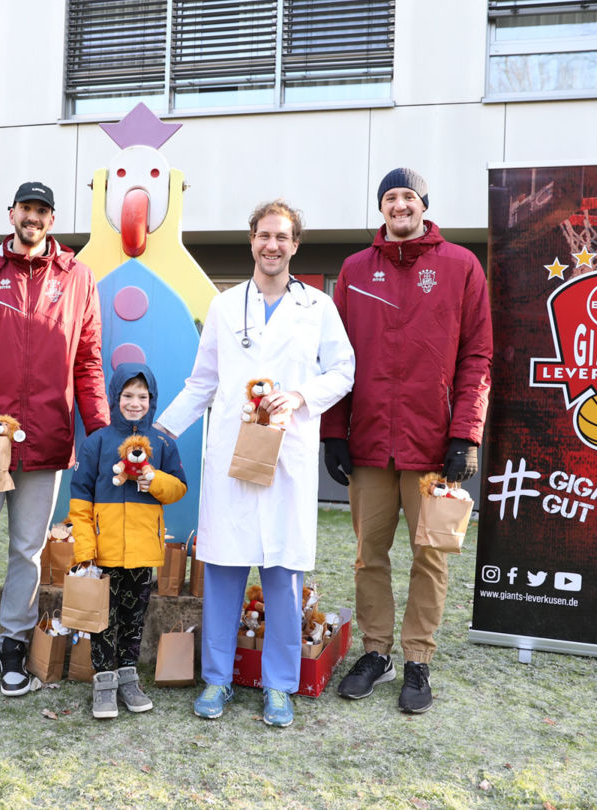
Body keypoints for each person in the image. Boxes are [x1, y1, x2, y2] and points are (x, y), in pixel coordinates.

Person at [155, 200, 354, 728]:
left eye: (282, 237)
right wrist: (162, 430)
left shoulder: (318, 307)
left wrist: (300, 396)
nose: (272, 245)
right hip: (232, 457)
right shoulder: (224, 307)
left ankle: (280, 686)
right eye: (264, 235)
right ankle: (218, 680)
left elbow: (343, 370)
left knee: (284, 573)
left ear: (295, 245)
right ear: (252, 241)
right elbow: (202, 382)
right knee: (222, 568)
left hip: (286, 455)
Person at [323, 168, 492, 714]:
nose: (400, 205)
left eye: (409, 197)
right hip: (370, 442)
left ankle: (418, 658)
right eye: (390, 197)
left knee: (431, 557)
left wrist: (465, 434)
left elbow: (477, 357)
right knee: (369, 556)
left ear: (424, 205)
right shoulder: (353, 270)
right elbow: (337, 361)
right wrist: (334, 432)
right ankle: (376, 653)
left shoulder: (461, 265)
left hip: (433, 446)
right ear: (381, 208)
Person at [0, 181, 109, 699]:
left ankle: (13, 642)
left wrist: (99, 432)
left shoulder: (78, 278)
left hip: (47, 441)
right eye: (25, 209)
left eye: (41, 211)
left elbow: (89, 360)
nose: (32, 218)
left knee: (27, 552)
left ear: (51, 220)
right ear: (10, 213)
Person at [69, 363, 188, 719]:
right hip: (103, 555)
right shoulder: (97, 443)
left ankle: (128, 679)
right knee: (102, 620)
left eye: (142, 396)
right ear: (115, 397)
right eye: (127, 395)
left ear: (152, 400)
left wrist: (155, 481)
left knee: (133, 620)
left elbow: (179, 489)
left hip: (141, 552)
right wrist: (86, 551)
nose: (135, 403)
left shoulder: (163, 443)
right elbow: (80, 502)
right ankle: (103, 683)